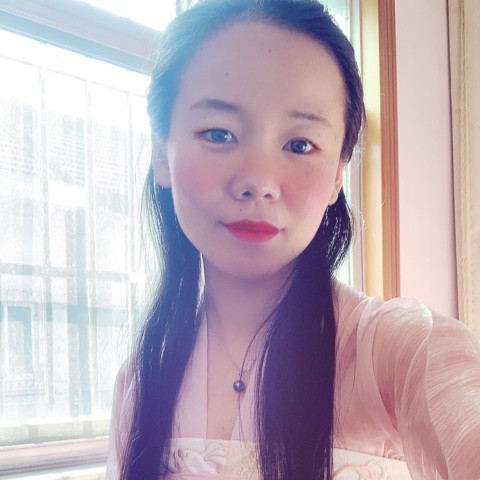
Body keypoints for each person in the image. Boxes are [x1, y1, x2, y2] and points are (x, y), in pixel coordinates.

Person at [105, 0, 480, 478]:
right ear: (162, 153)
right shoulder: (141, 381)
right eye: (219, 134)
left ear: (338, 173)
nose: (259, 181)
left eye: (300, 144)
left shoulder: (396, 351)